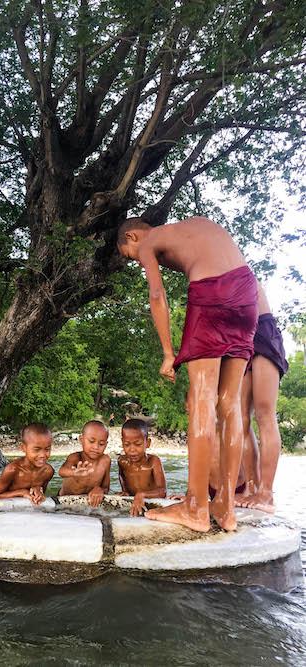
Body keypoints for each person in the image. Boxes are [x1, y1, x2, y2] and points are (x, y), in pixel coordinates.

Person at [117, 216, 258, 532]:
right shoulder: (193, 226)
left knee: (202, 399)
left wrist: (168, 353)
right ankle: (226, 505)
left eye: (131, 255)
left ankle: (195, 507)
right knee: (229, 403)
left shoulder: (151, 240)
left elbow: (157, 295)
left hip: (212, 293)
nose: (139, 261)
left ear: (133, 236)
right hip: (247, 292)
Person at [235, 283, 288, 513]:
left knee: (265, 413)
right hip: (239, 338)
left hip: (261, 329)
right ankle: (251, 486)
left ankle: (266, 492)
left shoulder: (235, 266)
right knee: (241, 418)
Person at [0, 423, 54, 504]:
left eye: (47, 449)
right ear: (23, 448)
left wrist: (38, 490)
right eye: (36, 450)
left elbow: (41, 494)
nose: (42, 455)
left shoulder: (48, 471)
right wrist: (22, 492)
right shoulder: (12, 470)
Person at [118, 418, 166, 516]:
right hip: (134, 502)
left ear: (147, 443)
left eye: (138, 444)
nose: (132, 450)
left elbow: (163, 491)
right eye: (127, 444)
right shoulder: (122, 461)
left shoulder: (153, 462)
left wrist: (142, 495)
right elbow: (121, 476)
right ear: (122, 442)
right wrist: (125, 491)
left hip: (153, 504)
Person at [59, 420, 111, 507]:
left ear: (106, 444)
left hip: (88, 504)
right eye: (91, 441)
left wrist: (99, 489)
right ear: (81, 440)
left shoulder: (105, 461)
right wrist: (74, 473)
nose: (96, 447)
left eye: (101, 444)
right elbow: (62, 472)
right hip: (65, 501)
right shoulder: (75, 457)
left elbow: (106, 487)